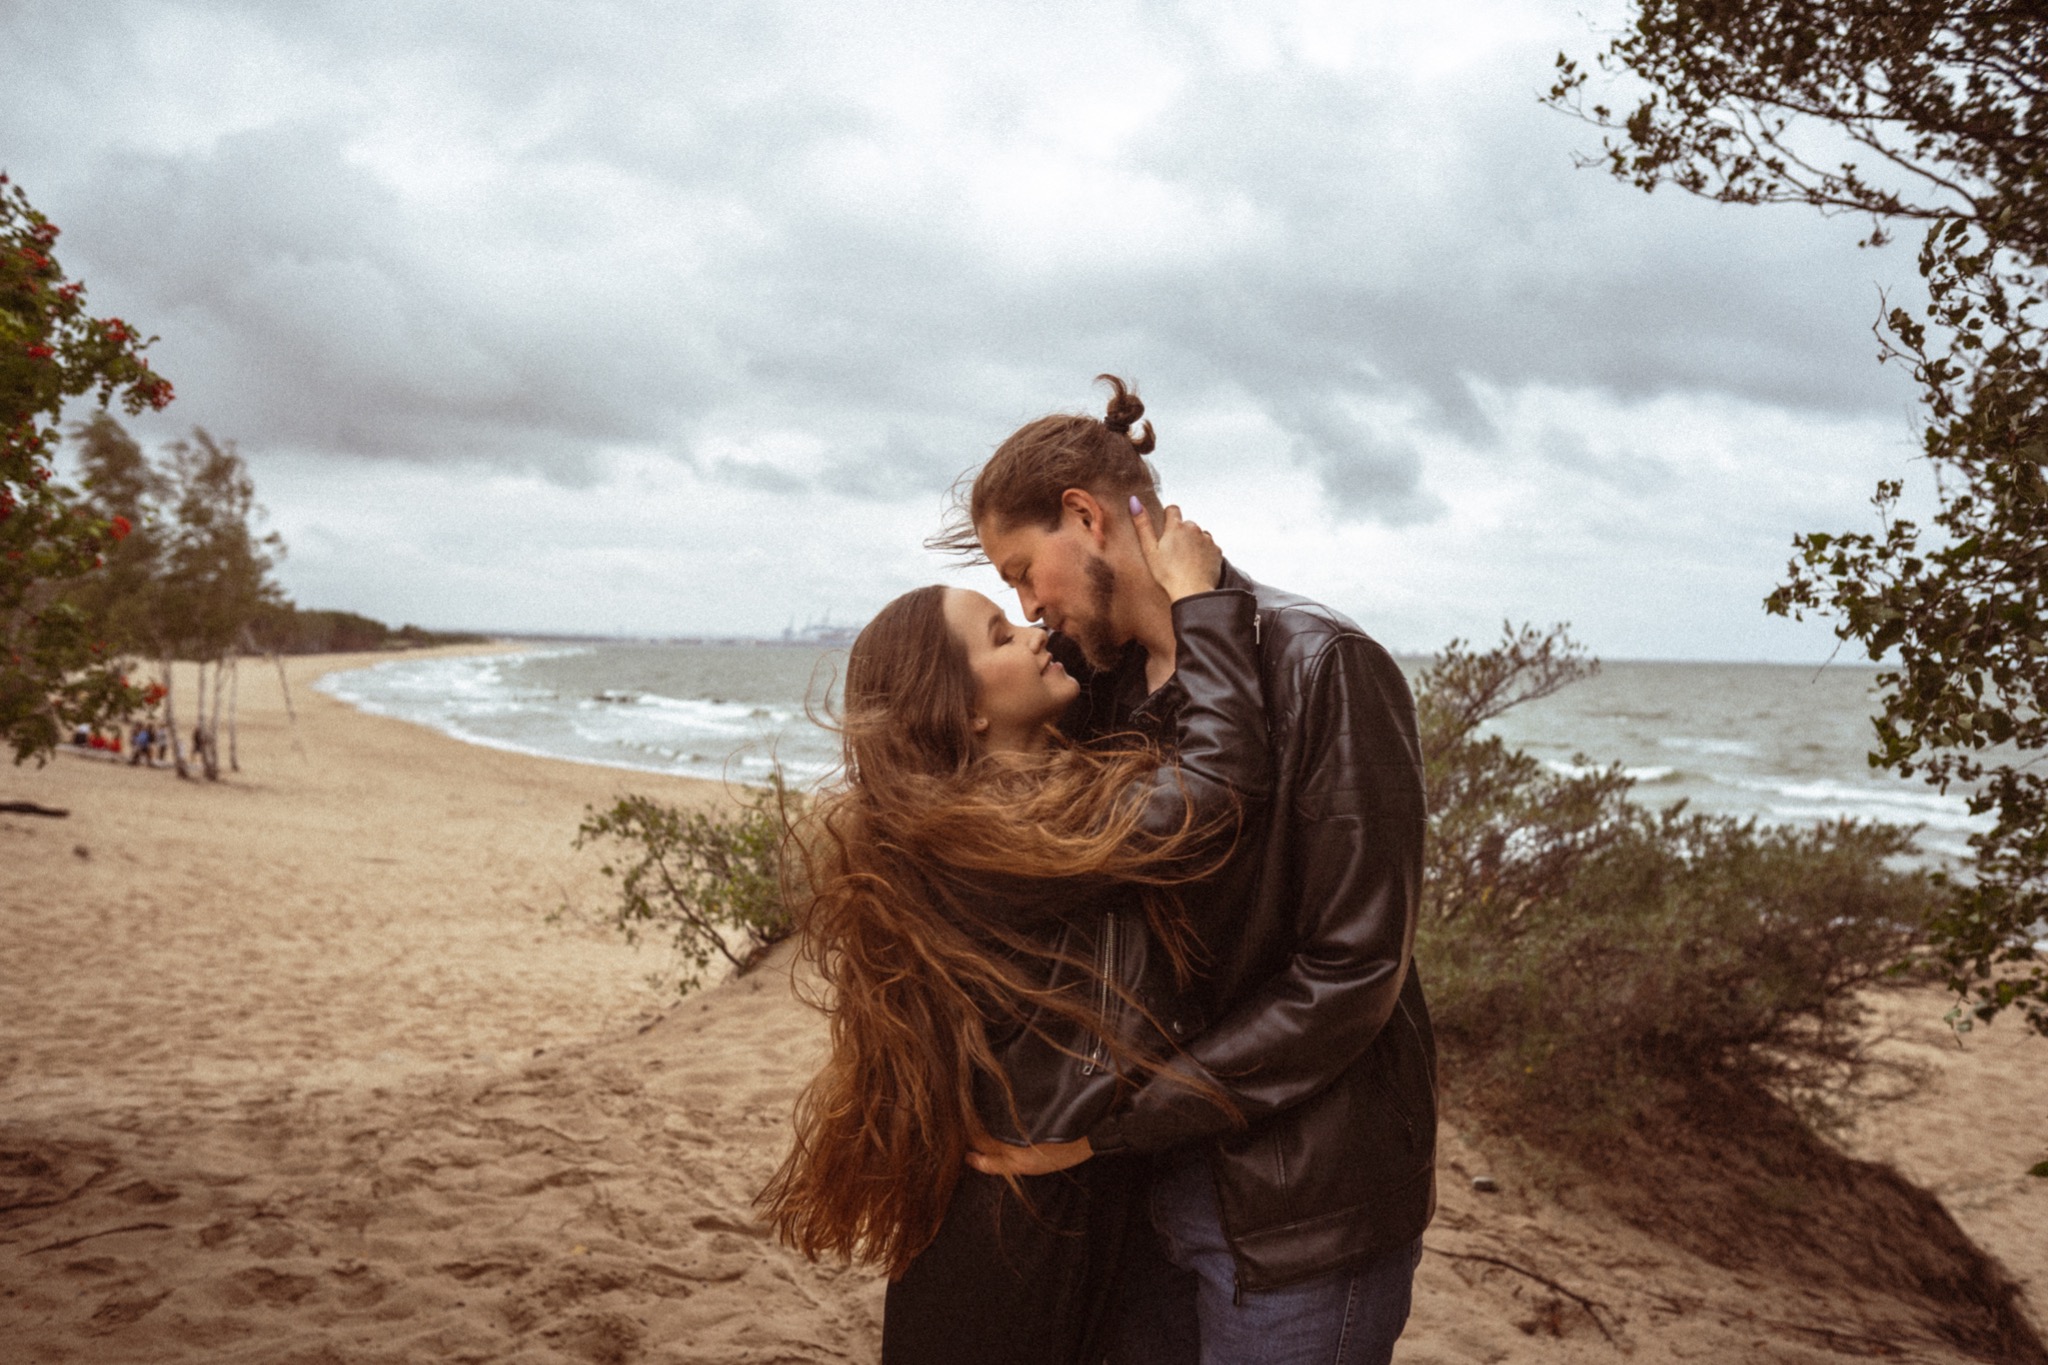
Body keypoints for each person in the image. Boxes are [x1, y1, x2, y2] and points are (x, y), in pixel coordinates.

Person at [942, 376, 1437, 1365]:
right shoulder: (1102, 688)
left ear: (1085, 516)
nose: (1029, 607)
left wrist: (1119, 1124)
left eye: (1022, 572)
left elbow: (1352, 972)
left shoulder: (1322, 662)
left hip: (1294, 1215)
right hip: (1142, 1198)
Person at [762, 505, 1265, 1365]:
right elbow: (1218, 793)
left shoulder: (1014, 811)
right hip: (1015, 1233)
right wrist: (1201, 604)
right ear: (963, 712)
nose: (1036, 633)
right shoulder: (993, 841)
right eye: (1000, 635)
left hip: (1044, 1207)